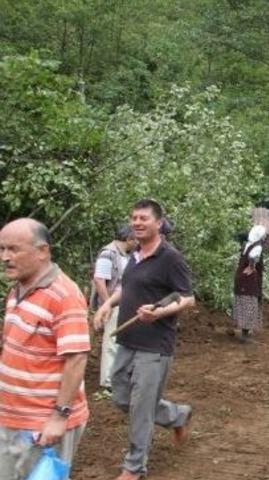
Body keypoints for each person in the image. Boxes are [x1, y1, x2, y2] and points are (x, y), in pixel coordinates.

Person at [93, 199, 195, 480]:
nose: (137, 222)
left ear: (158, 223)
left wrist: (160, 311)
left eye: (143, 218)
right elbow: (127, 286)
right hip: (128, 339)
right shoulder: (135, 255)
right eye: (134, 218)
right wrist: (106, 305)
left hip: (155, 345)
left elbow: (187, 299)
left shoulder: (170, 258)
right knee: (121, 396)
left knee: (140, 407)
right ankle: (176, 415)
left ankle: (134, 467)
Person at [0, 219, 90, 479]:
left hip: (41, 422)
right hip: (12, 414)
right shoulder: (18, 290)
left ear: (43, 251)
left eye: (14, 249)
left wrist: (59, 417)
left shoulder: (65, 295)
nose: (5, 257)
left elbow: (77, 358)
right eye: (2, 249)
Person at [92, 224, 137, 392]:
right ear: (128, 239)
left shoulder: (126, 254)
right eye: (135, 240)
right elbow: (99, 280)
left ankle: (120, 377)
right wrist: (107, 304)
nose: (137, 243)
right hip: (113, 303)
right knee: (111, 341)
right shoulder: (108, 253)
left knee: (123, 340)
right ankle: (108, 382)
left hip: (125, 303)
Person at [233, 225, 266, 343]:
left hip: (241, 279)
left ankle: (244, 332)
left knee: (245, 303)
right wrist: (252, 267)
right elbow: (253, 256)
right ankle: (245, 335)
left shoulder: (248, 244)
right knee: (249, 304)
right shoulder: (257, 246)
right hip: (248, 280)